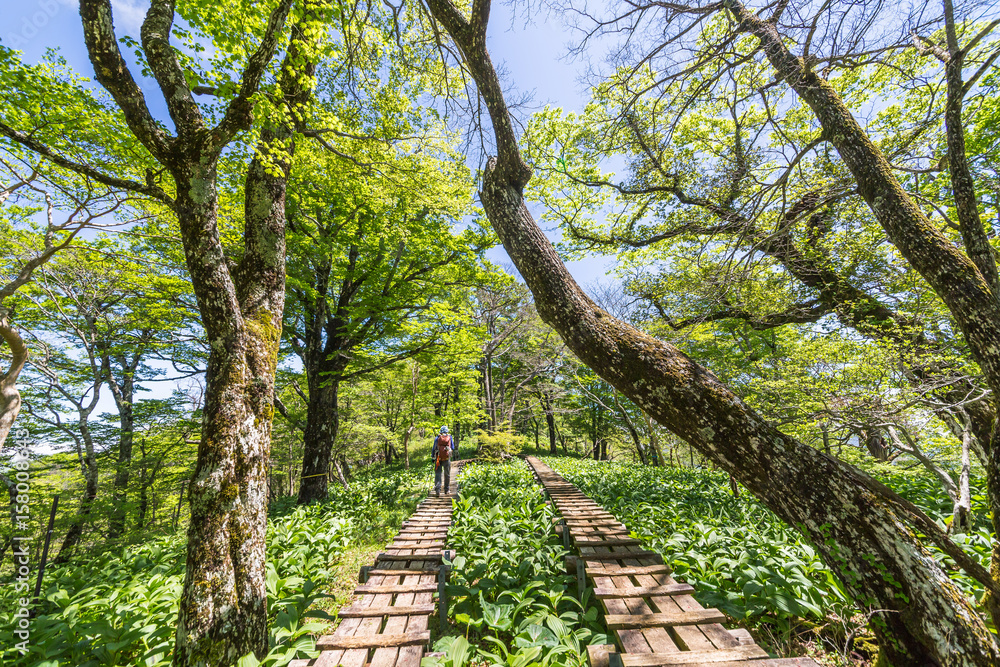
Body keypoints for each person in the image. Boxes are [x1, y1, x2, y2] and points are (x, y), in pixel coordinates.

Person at [432, 426, 456, 496]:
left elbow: (434, 448)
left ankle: (438, 490)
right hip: (447, 458)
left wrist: (433, 458)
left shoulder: (437, 438)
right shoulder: (450, 437)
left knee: (438, 474)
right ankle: (447, 490)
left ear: (440, 432)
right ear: (447, 431)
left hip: (438, 458)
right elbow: (453, 447)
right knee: (447, 474)